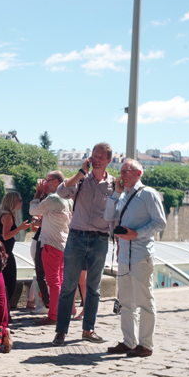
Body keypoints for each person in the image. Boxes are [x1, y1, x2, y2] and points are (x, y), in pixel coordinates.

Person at [52, 142, 116, 346]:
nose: (96, 159)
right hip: (76, 237)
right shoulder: (81, 180)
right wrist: (81, 172)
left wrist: (118, 240)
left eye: (100, 157)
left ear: (108, 160)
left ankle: (88, 329)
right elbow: (61, 192)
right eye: (94, 156)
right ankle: (60, 332)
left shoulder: (113, 185)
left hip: (100, 239)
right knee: (68, 286)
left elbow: (116, 214)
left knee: (93, 288)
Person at [104, 159, 167, 358]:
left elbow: (160, 223)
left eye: (127, 170)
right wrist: (115, 193)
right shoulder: (122, 196)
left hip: (141, 255)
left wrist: (137, 233)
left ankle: (146, 345)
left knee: (145, 301)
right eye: (121, 170)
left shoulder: (148, 194)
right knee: (126, 302)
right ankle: (129, 342)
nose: (122, 173)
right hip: (124, 256)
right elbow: (108, 216)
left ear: (138, 173)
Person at [28, 171, 71, 326]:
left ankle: (53, 316)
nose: (45, 183)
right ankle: (61, 312)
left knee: (53, 283)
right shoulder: (67, 198)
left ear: (56, 182)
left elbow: (33, 211)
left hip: (51, 245)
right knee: (59, 281)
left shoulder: (54, 198)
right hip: (63, 244)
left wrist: (38, 192)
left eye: (47, 180)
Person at [0, 191, 30, 317]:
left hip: (0, 254)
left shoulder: (2, 215)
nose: (21, 203)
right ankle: (4, 314)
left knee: (3, 284)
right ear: (13, 202)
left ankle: (2, 313)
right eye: (20, 200)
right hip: (6, 255)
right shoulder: (8, 216)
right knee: (9, 285)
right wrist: (20, 228)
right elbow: (5, 236)